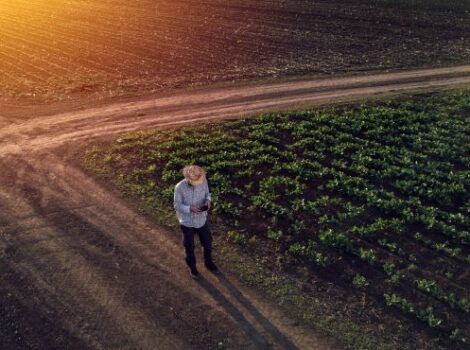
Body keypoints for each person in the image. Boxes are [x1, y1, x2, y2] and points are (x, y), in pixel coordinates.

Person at [174, 165, 218, 279]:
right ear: (188, 179)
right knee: (189, 246)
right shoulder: (179, 187)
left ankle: (208, 263)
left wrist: (208, 201)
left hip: (201, 220)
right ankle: (192, 268)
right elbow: (177, 205)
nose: (199, 181)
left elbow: (208, 193)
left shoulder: (203, 180)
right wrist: (189, 209)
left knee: (207, 243)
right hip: (187, 222)